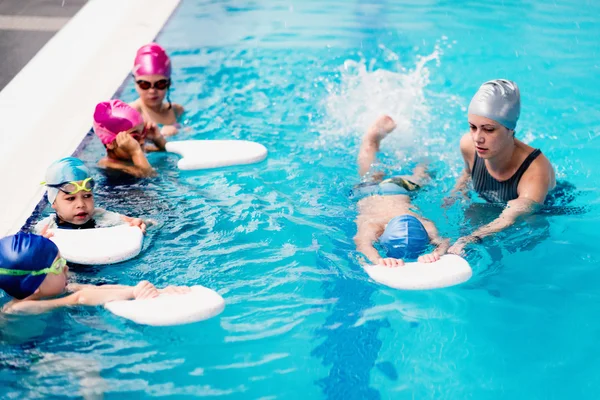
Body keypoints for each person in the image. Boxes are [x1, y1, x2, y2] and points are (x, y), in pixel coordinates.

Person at [446, 79, 556, 254]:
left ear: (510, 129)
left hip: (542, 209)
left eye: (489, 129)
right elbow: (468, 172)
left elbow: (511, 216)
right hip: (495, 206)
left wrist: (471, 239)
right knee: (471, 212)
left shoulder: (534, 171)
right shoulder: (468, 145)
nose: (477, 138)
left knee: (526, 239)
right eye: (473, 127)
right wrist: (458, 192)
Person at [0, 233, 189, 314]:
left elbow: (96, 289)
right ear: (32, 285)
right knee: (85, 367)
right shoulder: (16, 309)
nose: (66, 268)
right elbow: (80, 299)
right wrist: (133, 293)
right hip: (21, 361)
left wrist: (157, 291)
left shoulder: (64, 288)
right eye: (58, 266)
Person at [353, 115, 449, 267]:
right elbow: (444, 242)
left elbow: (362, 245)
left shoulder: (374, 224)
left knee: (421, 177)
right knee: (371, 174)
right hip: (369, 192)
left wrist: (378, 260)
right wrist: (435, 254)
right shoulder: (375, 225)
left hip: (398, 189)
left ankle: (422, 157)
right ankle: (373, 140)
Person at [34, 157, 147, 235]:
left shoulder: (102, 216)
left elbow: (138, 222)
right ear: (53, 202)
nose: (81, 204)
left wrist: (140, 223)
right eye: (70, 198)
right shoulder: (45, 228)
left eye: (87, 196)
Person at [93, 99, 166, 178]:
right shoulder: (110, 165)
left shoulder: (133, 149)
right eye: (135, 137)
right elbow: (148, 177)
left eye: (143, 132)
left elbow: (165, 151)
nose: (142, 141)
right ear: (110, 143)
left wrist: (157, 139)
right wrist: (135, 152)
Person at [129, 43, 184, 137]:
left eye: (160, 84)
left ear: (169, 83)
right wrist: (160, 138)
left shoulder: (177, 110)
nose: (152, 91)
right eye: (144, 84)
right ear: (135, 83)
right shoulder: (131, 114)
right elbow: (127, 149)